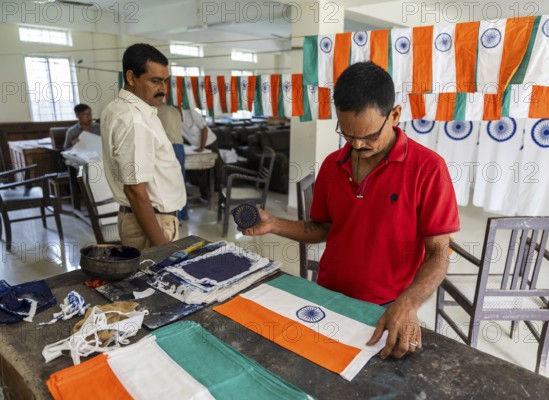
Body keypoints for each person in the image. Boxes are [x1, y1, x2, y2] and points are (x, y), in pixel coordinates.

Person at [243, 62, 460, 360]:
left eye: (369, 136)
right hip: (327, 297)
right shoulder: (333, 165)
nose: (357, 145)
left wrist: (408, 304)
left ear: (395, 115)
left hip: (387, 307)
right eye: (347, 134)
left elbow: (439, 253)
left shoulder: (428, 169)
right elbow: (323, 228)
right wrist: (274, 224)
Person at [101, 43, 186, 250]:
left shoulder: (118, 109)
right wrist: (161, 248)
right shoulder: (135, 119)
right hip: (150, 224)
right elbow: (135, 190)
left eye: (165, 82)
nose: (163, 89)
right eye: (155, 81)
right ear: (131, 78)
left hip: (145, 219)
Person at [181, 108, 223, 200]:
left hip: (209, 142)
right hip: (196, 146)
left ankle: (221, 195)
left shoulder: (190, 112)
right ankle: (205, 196)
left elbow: (204, 129)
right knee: (201, 171)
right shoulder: (175, 119)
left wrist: (202, 147)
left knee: (217, 169)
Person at [157, 104, 188, 221]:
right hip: (180, 147)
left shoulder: (156, 110)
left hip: (168, 148)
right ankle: (184, 214)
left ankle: (177, 217)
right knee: (181, 182)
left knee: (170, 184)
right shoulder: (175, 110)